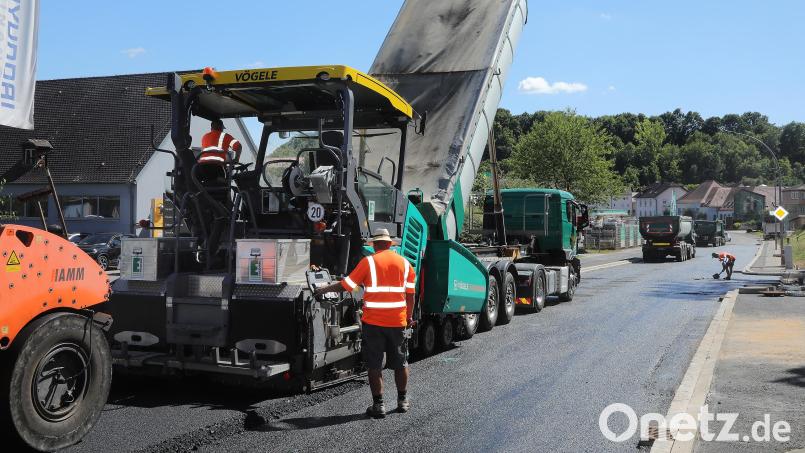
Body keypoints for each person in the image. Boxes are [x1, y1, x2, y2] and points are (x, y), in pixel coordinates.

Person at [314, 228, 416, 418]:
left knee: (374, 365)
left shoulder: (368, 262)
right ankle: (402, 401)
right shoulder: (405, 263)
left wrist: (322, 290)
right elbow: (411, 295)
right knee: (401, 362)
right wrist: (409, 318)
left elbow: (347, 286)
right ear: (389, 244)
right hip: (398, 322)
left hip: (374, 323)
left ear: (375, 244)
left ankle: (379, 406)